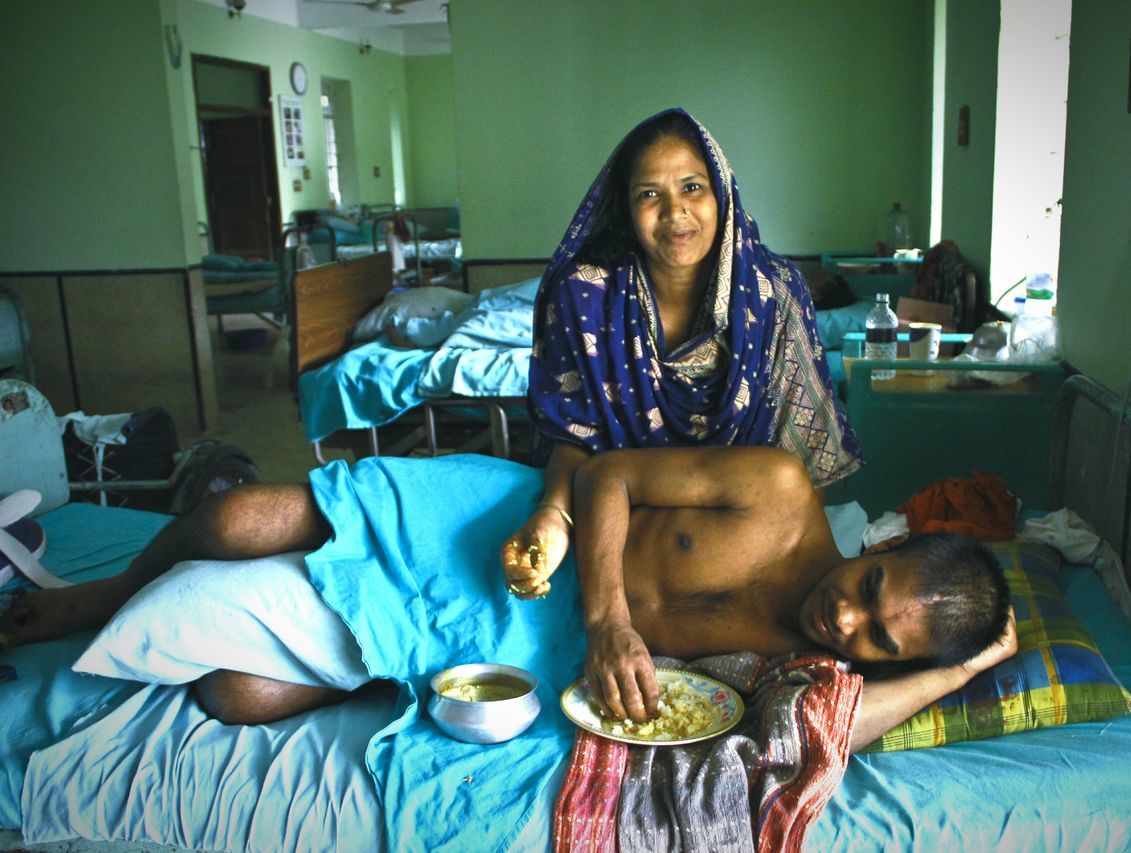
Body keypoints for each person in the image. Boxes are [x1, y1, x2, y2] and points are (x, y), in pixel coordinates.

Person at [1, 447, 1012, 752]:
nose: (844, 619)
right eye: (868, 587)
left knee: (235, 696)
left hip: (521, 632)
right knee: (234, 522)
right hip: (507, 528)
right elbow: (608, 473)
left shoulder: (818, 660)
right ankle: (98, 594)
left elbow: (834, 729)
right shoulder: (779, 492)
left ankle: (365, 672)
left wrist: (962, 667)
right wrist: (611, 614)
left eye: (873, 639)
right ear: (884, 544)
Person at [508, 108, 863, 587]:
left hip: (741, 545)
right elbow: (573, 436)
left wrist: (785, 571)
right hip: (615, 540)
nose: (675, 212)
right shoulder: (586, 296)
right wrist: (555, 516)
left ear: (723, 195)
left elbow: (804, 464)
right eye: (649, 194)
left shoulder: (774, 294)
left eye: (692, 187)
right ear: (625, 209)